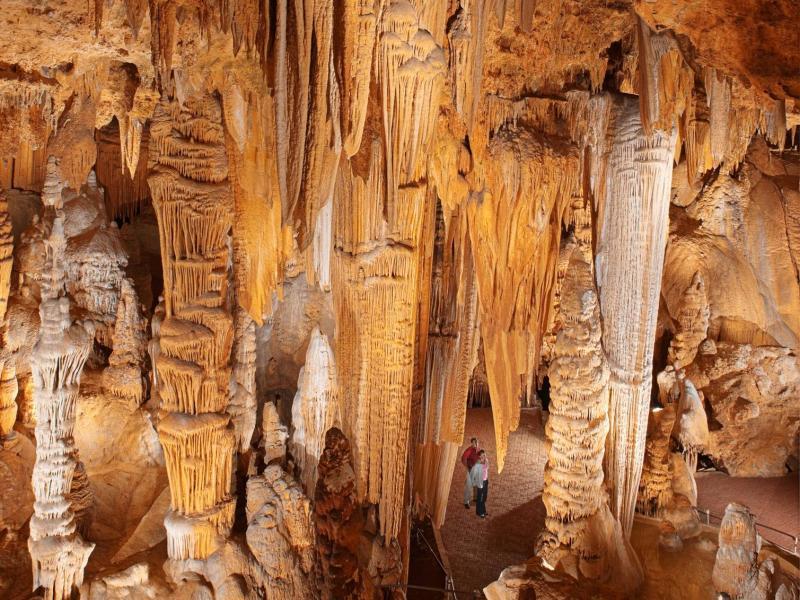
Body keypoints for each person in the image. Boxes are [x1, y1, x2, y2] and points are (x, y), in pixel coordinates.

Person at [469, 450, 489, 518]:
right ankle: (480, 512)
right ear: (479, 456)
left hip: (486, 480)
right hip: (480, 482)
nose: (484, 456)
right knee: (480, 497)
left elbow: (487, 467)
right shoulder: (478, 463)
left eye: (484, 454)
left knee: (484, 496)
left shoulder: (486, 460)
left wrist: (485, 461)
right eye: (482, 455)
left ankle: (482, 510)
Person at [461, 437, 479, 508]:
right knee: (468, 485)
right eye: (474, 442)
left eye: (477, 442)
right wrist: (467, 467)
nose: (476, 444)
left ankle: (475, 498)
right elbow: (463, 459)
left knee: (476, 483)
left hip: (476, 469)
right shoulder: (469, 450)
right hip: (470, 469)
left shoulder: (478, 450)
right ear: (472, 443)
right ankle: (466, 502)